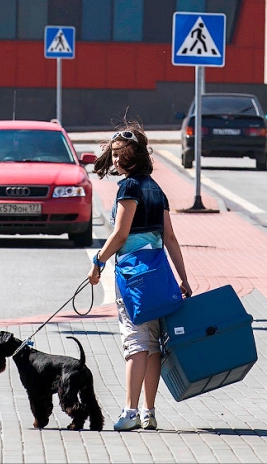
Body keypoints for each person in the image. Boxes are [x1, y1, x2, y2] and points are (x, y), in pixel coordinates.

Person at [87, 122, 192, 431]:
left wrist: (98, 261)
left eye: (122, 155)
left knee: (136, 342)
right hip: (160, 275)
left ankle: (130, 411)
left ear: (136, 157)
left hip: (134, 276)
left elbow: (120, 234)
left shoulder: (129, 187)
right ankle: (149, 412)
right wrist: (183, 278)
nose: (117, 161)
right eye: (115, 155)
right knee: (155, 344)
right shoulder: (156, 189)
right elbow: (170, 238)